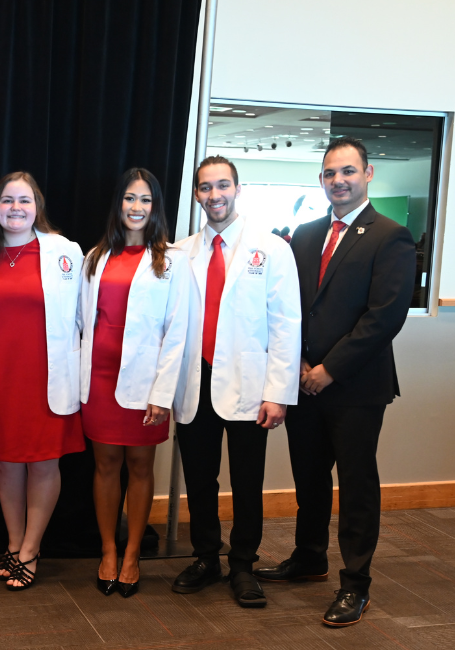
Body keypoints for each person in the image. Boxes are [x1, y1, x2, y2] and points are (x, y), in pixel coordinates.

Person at [253, 136, 416, 627]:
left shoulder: (391, 236)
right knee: (309, 477)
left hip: (355, 387)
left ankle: (356, 583)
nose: (338, 181)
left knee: (357, 484)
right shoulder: (305, 235)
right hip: (303, 381)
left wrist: (329, 369)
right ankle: (309, 557)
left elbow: (384, 317)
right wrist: (301, 364)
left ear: (368, 174)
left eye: (348, 171)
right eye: (329, 173)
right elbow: (290, 308)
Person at [171, 156, 301, 607]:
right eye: (206, 187)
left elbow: (286, 325)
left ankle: (243, 564)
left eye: (223, 185)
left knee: (247, 480)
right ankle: (207, 557)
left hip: (250, 383)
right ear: (197, 194)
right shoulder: (179, 253)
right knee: (199, 478)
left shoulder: (271, 249)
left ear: (238, 189)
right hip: (195, 380)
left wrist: (278, 393)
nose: (215, 195)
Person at [0, 172, 85, 590]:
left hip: (46, 377)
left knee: (43, 463)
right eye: (7, 200)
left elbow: (82, 318)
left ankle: (31, 549)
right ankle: (14, 544)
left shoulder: (64, 251)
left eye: (24, 200)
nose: (15, 208)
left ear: (37, 207)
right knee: (6, 464)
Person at [80, 168, 189, 598]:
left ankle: (132, 555)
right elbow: (81, 323)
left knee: (141, 467)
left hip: (146, 384)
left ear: (155, 207)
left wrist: (162, 393)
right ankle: (108, 550)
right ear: (119, 203)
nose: (136, 207)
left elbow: (176, 333)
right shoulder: (95, 256)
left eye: (145, 199)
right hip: (99, 380)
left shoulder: (171, 261)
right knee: (105, 465)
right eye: (129, 198)